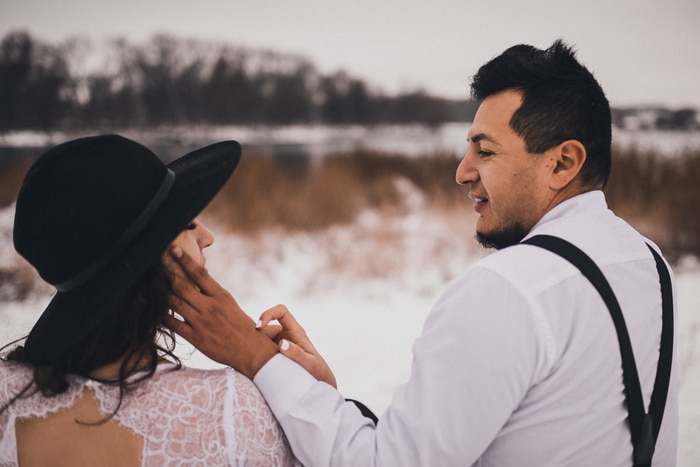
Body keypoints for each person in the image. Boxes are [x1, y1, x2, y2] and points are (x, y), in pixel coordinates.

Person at [167, 40, 678, 466]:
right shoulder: (646, 262)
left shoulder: (510, 290)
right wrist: (324, 397)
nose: (462, 171)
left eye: (486, 150)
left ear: (563, 162)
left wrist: (258, 359)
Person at [0, 135, 298, 466]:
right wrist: (302, 384)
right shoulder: (231, 413)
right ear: (150, 258)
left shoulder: (6, 395)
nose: (208, 237)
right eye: (185, 221)